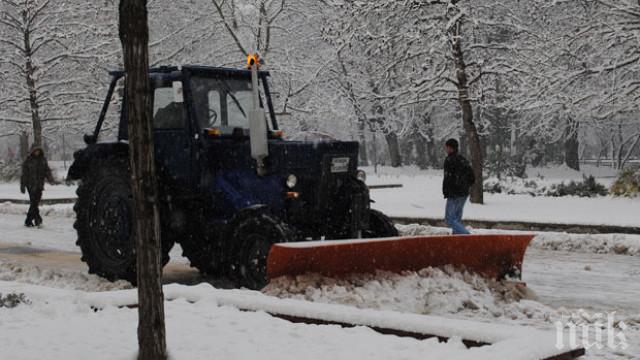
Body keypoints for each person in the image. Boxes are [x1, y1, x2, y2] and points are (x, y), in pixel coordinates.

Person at [442, 138, 475, 235]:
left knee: (449, 219)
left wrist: (449, 190)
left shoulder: (449, 160)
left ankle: (467, 236)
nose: (446, 149)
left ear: (451, 148)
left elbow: (448, 178)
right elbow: (472, 177)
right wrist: (465, 186)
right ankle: (458, 240)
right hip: (463, 194)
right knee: (457, 219)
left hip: (454, 194)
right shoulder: (463, 160)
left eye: (447, 147)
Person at [20, 146, 55, 227]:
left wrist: (51, 179)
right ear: (32, 151)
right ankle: (37, 220)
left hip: (39, 185)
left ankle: (30, 220)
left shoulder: (43, 160)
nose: (37, 152)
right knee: (34, 203)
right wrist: (22, 185)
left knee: (35, 203)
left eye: (38, 151)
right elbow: (24, 174)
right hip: (30, 185)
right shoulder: (28, 161)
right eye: (35, 151)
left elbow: (47, 170)